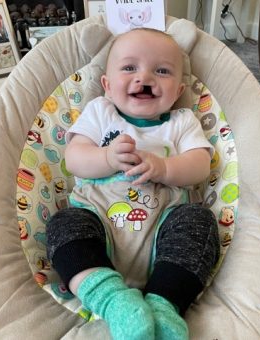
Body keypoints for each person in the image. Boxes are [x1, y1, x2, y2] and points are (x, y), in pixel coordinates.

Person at [46, 28, 220, 340]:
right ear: (107, 86)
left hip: (164, 230)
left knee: (199, 222)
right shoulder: (100, 111)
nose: (145, 77)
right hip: (99, 219)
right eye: (129, 68)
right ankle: (113, 301)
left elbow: (199, 165)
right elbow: (74, 158)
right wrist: (107, 159)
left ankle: (164, 304)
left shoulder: (181, 122)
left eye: (162, 71)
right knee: (64, 224)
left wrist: (165, 167)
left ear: (179, 89)